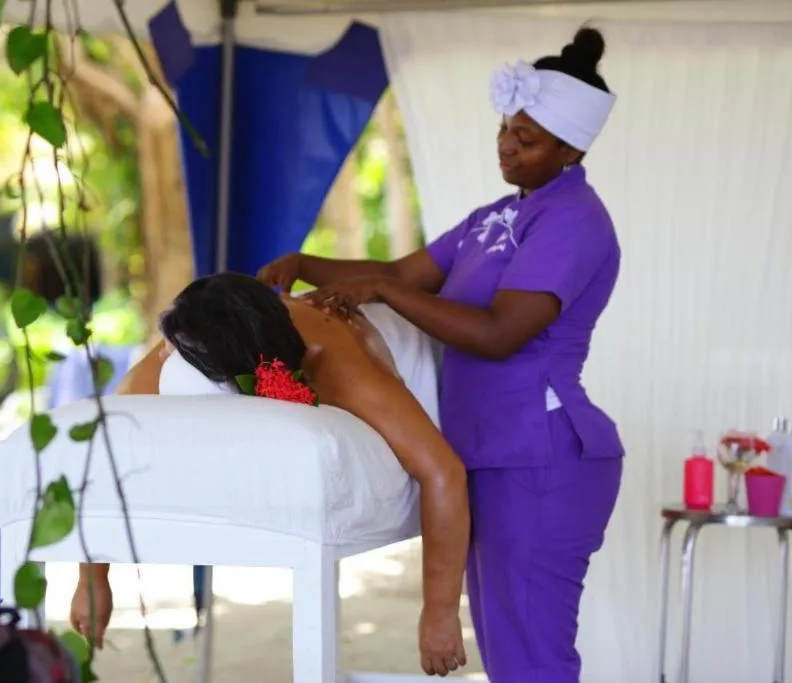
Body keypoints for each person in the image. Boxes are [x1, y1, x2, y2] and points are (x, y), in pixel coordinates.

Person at [257, 26, 623, 683]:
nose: (508, 145)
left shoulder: (573, 219)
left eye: (528, 138)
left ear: (571, 149)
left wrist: (385, 292)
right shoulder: (497, 216)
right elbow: (404, 268)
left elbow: (498, 331)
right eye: (506, 128)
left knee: (531, 659)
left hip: (540, 455)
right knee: (512, 655)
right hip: (493, 450)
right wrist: (308, 262)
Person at [70, 272, 471, 677]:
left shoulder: (331, 358)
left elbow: (443, 472)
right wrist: (92, 579)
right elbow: (107, 447)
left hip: (415, 358)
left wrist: (439, 612)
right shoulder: (171, 356)